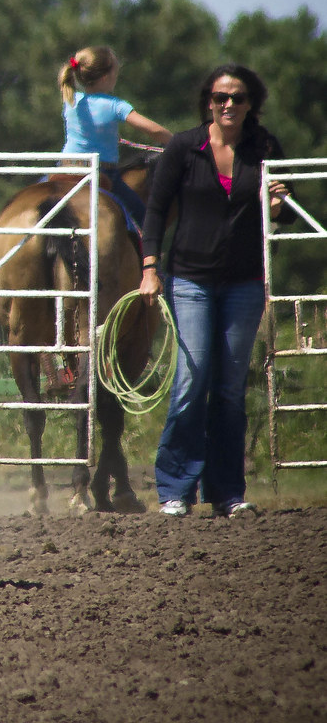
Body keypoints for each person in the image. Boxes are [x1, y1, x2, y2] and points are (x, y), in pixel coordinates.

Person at [138, 64, 295, 518]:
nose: (229, 104)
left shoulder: (264, 148)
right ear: (208, 100)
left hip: (244, 283)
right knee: (192, 380)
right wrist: (149, 268)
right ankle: (175, 488)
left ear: (251, 104)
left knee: (229, 389)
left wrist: (278, 204)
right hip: (189, 280)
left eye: (238, 97)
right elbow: (155, 210)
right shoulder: (184, 148)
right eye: (221, 96)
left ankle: (227, 491)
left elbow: (281, 211)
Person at [59, 46, 172, 226]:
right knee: (147, 221)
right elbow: (154, 131)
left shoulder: (71, 100)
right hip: (101, 172)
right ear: (106, 78)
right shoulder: (115, 106)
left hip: (64, 168)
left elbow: (89, 126)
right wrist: (177, 141)